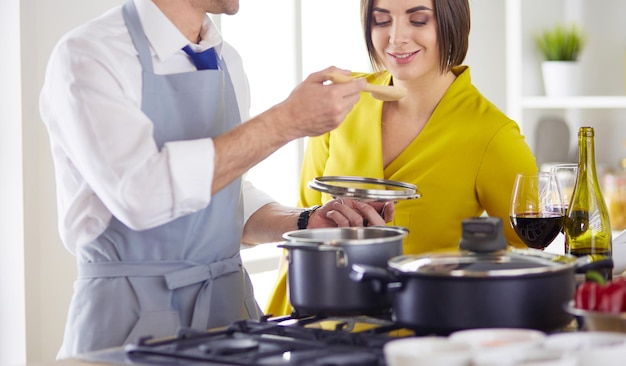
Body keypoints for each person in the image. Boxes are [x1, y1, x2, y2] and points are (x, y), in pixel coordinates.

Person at [39, 0, 395, 358]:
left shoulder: (226, 60)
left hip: (229, 321)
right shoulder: (90, 55)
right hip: (128, 327)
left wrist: (302, 222)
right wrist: (285, 122)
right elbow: (141, 195)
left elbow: (224, 193)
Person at [265, 0, 538, 316]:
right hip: (315, 330)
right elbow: (304, 229)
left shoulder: (493, 134)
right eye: (381, 21)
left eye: (419, 20)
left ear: (452, 22)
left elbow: (526, 261)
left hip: (421, 336)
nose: (396, 37)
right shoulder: (341, 104)